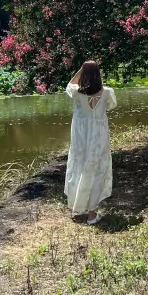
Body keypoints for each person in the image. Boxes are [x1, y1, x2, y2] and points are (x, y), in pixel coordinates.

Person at [64, 60, 117, 225]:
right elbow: (111, 106)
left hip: (81, 137)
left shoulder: (77, 93)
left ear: (84, 74)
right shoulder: (107, 92)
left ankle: (79, 208)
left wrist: (81, 69)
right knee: (97, 170)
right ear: (98, 74)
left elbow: (69, 84)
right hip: (99, 138)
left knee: (79, 167)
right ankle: (92, 214)